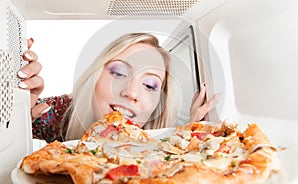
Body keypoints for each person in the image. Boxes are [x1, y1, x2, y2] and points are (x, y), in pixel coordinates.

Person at [19, 33, 217, 143]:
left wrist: (189, 140)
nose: (131, 92)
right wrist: (13, 121)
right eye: (119, 73)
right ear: (95, 75)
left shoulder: (160, 143)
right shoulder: (52, 112)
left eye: (150, 85)